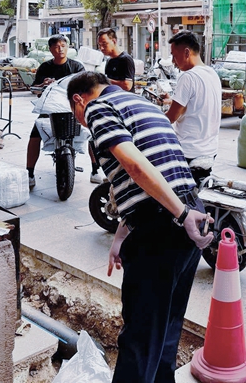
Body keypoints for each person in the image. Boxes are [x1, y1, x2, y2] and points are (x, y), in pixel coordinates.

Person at [67, 72, 213, 383]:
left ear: (79, 100)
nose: (81, 122)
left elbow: (134, 164)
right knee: (166, 327)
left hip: (167, 222)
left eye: (75, 114)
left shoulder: (97, 107)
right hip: (187, 214)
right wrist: (122, 233)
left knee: (139, 337)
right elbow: (141, 177)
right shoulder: (139, 102)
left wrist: (180, 214)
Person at [26, 35, 84, 190]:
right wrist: (43, 84)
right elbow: (34, 89)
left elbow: (85, 88)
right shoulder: (45, 67)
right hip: (50, 109)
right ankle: (29, 172)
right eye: (57, 46)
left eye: (64, 46)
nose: (61, 49)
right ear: (51, 49)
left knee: (90, 133)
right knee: (34, 135)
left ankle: (95, 169)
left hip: (71, 109)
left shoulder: (77, 67)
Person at [162, 31, 222, 170]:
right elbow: (198, 104)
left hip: (188, 151)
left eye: (174, 56)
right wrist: (172, 101)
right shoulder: (212, 73)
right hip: (210, 150)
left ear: (187, 53)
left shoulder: (188, 77)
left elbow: (171, 118)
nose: (173, 61)